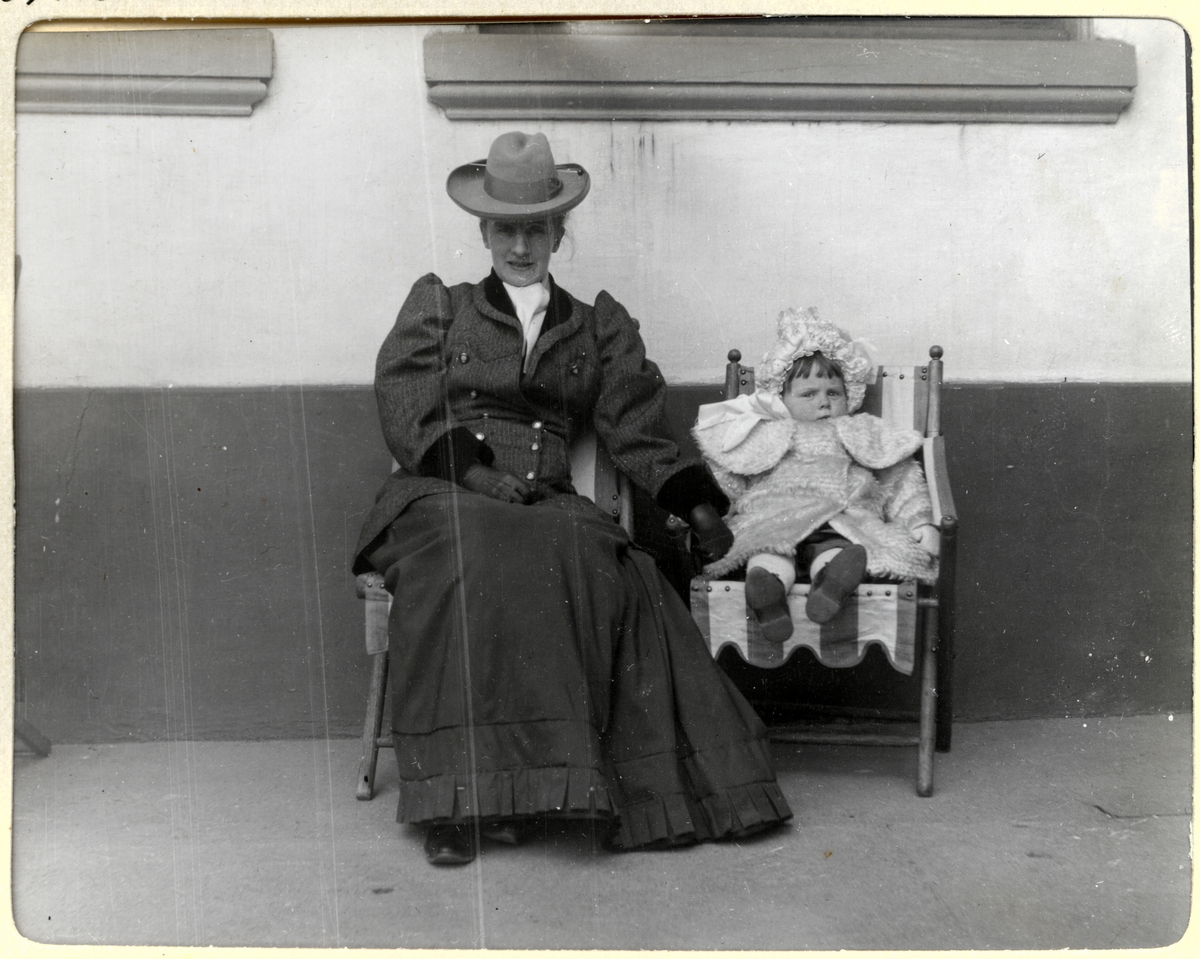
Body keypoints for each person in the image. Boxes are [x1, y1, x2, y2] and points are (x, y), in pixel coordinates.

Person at [352, 132, 792, 866]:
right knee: (475, 553)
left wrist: (694, 502)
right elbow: (406, 403)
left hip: (543, 502)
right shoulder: (440, 305)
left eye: (536, 229)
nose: (520, 245)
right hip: (442, 493)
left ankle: (533, 789)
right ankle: (459, 806)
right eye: (505, 230)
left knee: (604, 564)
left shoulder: (598, 325)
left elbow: (635, 425)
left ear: (559, 233)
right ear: (484, 233)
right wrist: (477, 472)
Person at [692, 307, 940, 643]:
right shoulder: (766, 432)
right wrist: (700, 508)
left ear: (847, 395)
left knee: (837, 547)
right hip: (775, 518)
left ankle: (831, 585)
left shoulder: (862, 432)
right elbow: (731, 478)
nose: (824, 403)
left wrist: (919, 521)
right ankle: (768, 594)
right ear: (780, 399)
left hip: (841, 516)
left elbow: (902, 480)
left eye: (833, 393)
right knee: (766, 549)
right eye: (809, 394)